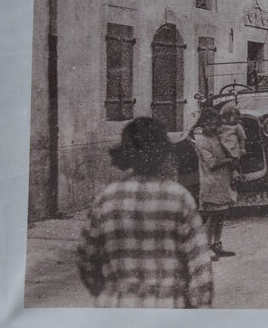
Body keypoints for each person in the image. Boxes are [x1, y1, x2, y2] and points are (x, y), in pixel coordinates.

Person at [77, 117, 213, 308]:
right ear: (163, 153)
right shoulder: (179, 198)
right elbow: (199, 265)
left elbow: (87, 259)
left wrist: (109, 292)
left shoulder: (106, 198)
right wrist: (201, 308)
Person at [195, 107, 239, 259]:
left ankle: (217, 244)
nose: (213, 127)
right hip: (210, 183)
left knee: (222, 215)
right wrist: (229, 160)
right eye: (210, 125)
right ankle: (206, 248)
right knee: (213, 217)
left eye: (215, 124)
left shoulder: (215, 137)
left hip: (222, 182)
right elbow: (211, 162)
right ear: (203, 123)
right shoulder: (201, 141)